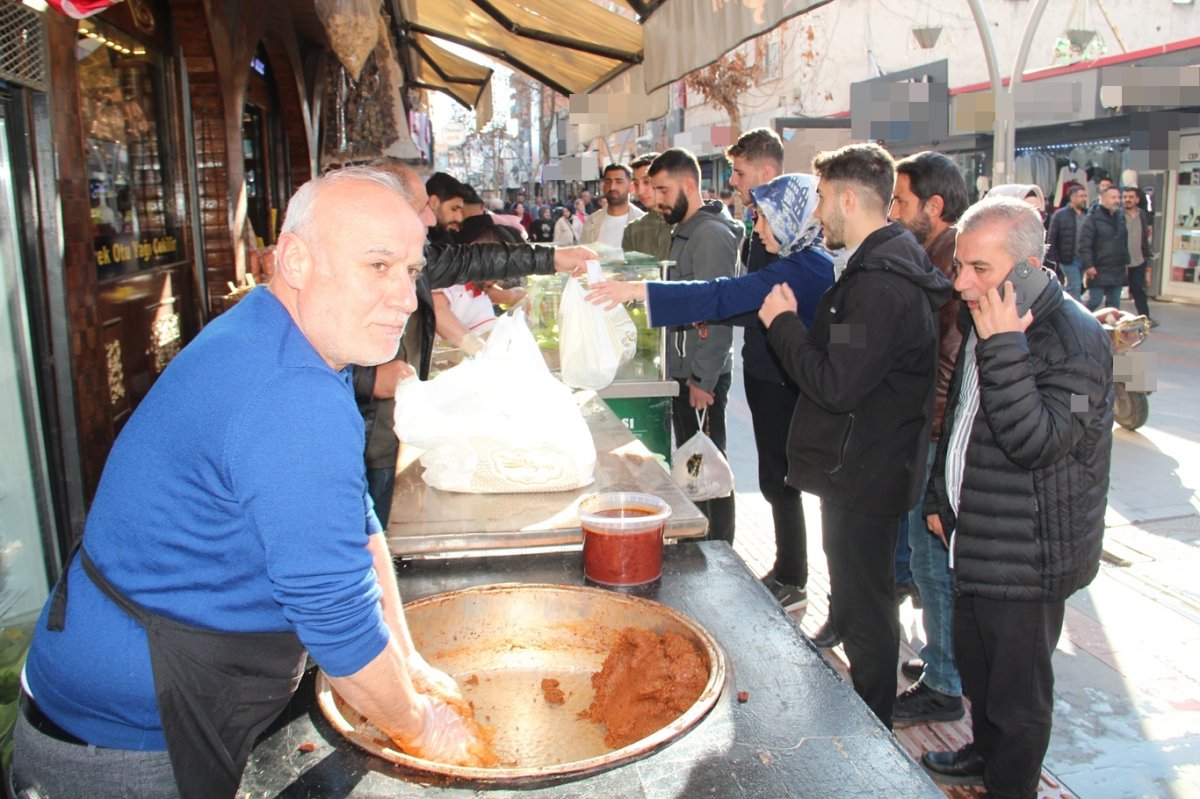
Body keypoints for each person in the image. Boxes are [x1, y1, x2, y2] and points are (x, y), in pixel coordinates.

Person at [13, 167, 490, 799]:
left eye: (409, 270)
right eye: (377, 266)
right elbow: (338, 624)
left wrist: (411, 664)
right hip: (122, 744)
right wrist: (426, 729)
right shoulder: (290, 394)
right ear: (294, 259)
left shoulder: (282, 339)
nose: (405, 299)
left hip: (160, 694)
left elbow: (358, 527)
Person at [920, 197, 1112, 799]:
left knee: (1018, 695)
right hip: (976, 536)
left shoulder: (1076, 343)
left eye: (979, 268)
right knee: (979, 670)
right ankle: (984, 756)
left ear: (1028, 266)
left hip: (1028, 555)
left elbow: (1039, 442)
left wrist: (1003, 347)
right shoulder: (994, 314)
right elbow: (961, 416)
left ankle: (1012, 785)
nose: (962, 282)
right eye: (959, 266)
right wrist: (939, 495)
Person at [757, 143, 952, 726]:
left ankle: (873, 742)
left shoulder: (881, 285)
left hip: (867, 473)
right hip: (859, 468)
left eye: (820, 198)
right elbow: (846, 368)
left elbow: (834, 383)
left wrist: (782, 324)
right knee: (862, 604)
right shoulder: (871, 272)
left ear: (847, 197)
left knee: (868, 618)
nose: (817, 214)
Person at [353, 161, 594, 528]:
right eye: (421, 208)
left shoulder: (415, 257)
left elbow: (472, 260)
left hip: (392, 430)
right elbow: (309, 359)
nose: (431, 220)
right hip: (360, 439)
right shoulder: (348, 267)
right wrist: (367, 378)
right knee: (363, 540)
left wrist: (552, 258)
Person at [887, 150, 969, 725]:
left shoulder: (947, 265)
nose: (893, 210)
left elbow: (945, 362)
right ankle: (944, 661)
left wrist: (927, 433)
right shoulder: (933, 255)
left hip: (938, 434)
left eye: (901, 201)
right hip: (933, 429)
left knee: (934, 562)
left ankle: (944, 684)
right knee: (926, 557)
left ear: (933, 207)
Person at [588, 172, 833, 355]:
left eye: (767, 219)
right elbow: (749, 302)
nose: (757, 229)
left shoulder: (801, 268)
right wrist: (709, 314)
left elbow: (721, 293)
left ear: (791, 218)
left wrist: (634, 290)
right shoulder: (810, 259)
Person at [724, 127, 812, 612]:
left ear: (766, 172)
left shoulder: (793, 238)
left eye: (739, 172)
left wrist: (713, 306)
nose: (734, 181)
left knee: (783, 478)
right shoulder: (757, 224)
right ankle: (785, 567)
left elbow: (761, 298)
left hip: (783, 372)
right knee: (772, 476)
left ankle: (795, 576)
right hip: (760, 365)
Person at [650, 147, 743, 543]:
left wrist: (703, 379)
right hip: (687, 371)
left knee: (708, 465)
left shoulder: (709, 236)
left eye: (663, 190)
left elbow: (718, 312)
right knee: (694, 464)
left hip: (700, 376)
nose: (656, 200)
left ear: (690, 184)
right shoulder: (687, 231)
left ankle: (718, 547)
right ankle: (703, 540)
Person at [1078, 185, 1129, 311]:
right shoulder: (1092, 218)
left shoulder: (1121, 217)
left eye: (1118, 197)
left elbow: (1123, 242)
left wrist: (1126, 262)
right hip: (1098, 268)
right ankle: (1079, 323)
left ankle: (1110, 330)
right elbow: (1084, 244)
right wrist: (1089, 266)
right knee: (1094, 300)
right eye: (1113, 197)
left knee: (1114, 304)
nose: (1117, 200)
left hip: (1117, 269)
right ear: (1103, 199)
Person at [580, 163, 645, 248]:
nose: (612, 187)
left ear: (631, 187)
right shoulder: (591, 222)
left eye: (619, 182)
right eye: (608, 181)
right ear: (603, 186)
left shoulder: (643, 222)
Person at [622, 152, 672, 260]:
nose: (640, 191)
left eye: (646, 182)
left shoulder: (685, 224)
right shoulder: (632, 230)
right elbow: (629, 273)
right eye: (636, 183)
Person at [1046, 184, 1088, 300]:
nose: (1084, 199)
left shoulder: (1088, 214)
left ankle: (1063, 302)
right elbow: (1052, 236)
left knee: (1078, 286)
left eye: (1085, 196)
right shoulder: (1060, 215)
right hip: (1068, 257)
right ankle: (1076, 315)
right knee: (1075, 286)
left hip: (1084, 257)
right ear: (1072, 198)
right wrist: (1051, 256)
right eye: (1081, 196)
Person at [1122, 185, 1156, 324]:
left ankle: (1145, 317)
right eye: (1125, 197)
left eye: (1130, 197)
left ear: (1137, 199)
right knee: (1113, 290)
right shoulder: (1118, 214)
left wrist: (1146, 251)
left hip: (1138, 258)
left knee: (1138, 289)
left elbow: (1144, 235)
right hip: (1121, 259)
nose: (1127, 200)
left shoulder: (1142, 214)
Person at [425, 171, 468, 245]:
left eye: (460, 211)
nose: (459, 218)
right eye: (454, 209)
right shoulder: (413, 238)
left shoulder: (444, 239)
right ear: (433, 202)